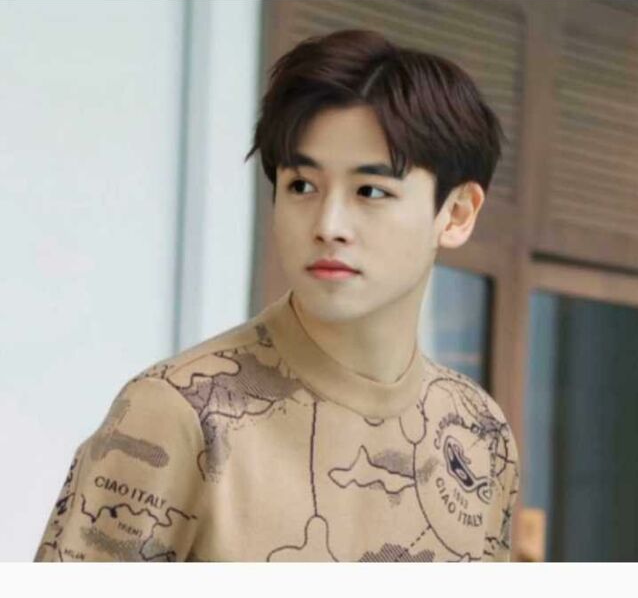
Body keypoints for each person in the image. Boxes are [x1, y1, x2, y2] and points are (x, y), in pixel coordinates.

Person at [35, 28, 520, 562]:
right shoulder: (178, 414)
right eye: (302, 186)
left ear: (457, 213)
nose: (328, 225)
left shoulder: (480, 433)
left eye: (370, 191)